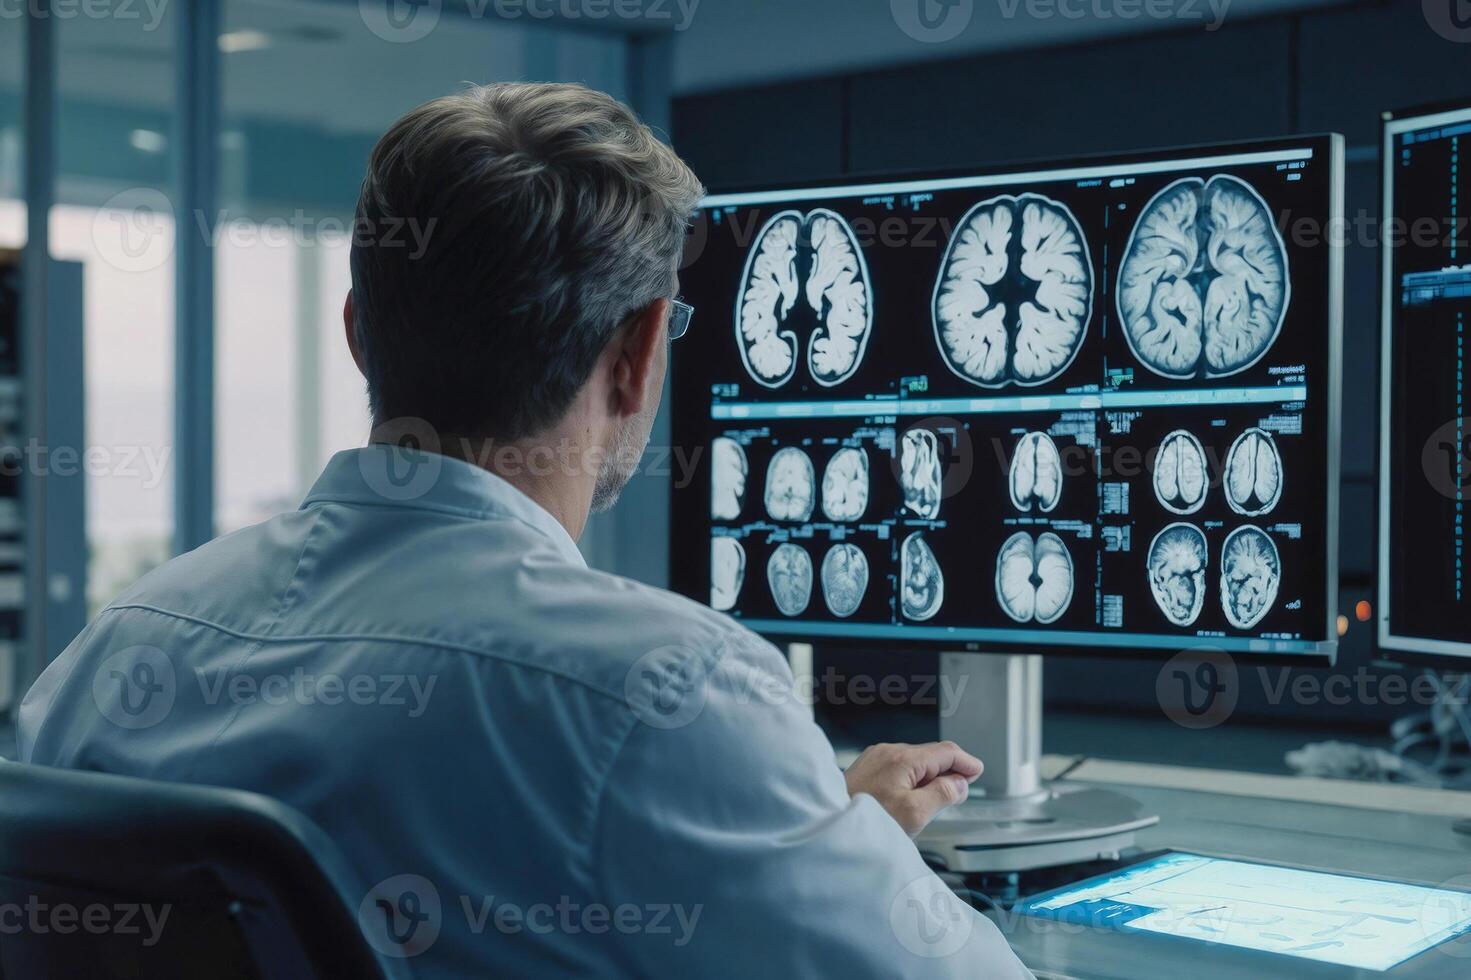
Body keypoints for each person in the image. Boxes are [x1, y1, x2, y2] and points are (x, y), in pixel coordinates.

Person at [18, 83, 1032, 978]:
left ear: (359, 331)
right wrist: (842, 850)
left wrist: (814, 838)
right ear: (637, 355)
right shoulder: (668, 694)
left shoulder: (123, 643)